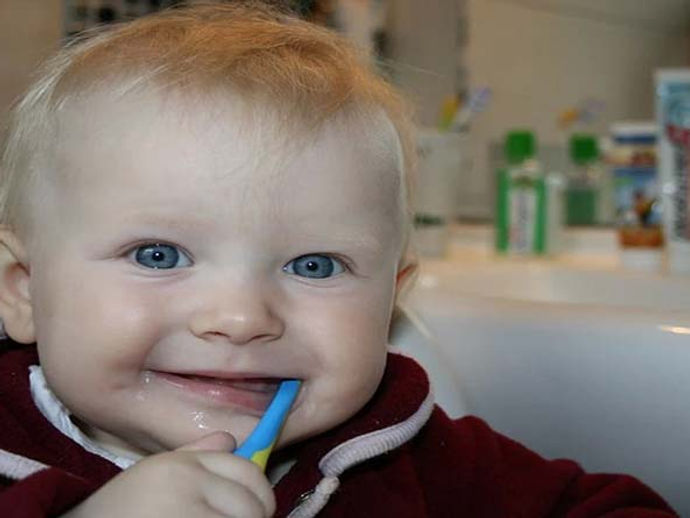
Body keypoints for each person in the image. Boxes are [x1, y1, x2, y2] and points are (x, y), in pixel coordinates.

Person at [0, 2, 677, 517]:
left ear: (391, 298)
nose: (242, 318)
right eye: (158, 254)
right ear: (22, 290)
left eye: (314, 266)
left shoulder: (406, 450)